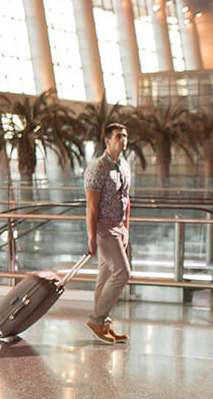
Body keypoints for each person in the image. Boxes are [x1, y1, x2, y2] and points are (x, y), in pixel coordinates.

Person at [83, 123, 132, 344]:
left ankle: (103, 325)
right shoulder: (98, 168)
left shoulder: (125, 166)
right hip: (104, 228)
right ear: (107, 140)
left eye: (125, 136)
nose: (123, 140)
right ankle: (96, 319)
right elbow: (91, 206)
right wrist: (92, 237)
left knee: (104, 277)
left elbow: (126, 199)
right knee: (123, 272)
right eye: (119, 136)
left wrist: (126, 228)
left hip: (119, 227)